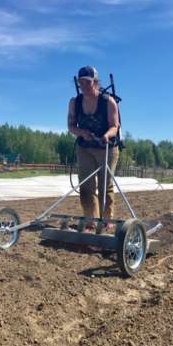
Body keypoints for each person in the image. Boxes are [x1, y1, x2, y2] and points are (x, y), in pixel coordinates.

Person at [67, 66, 120, 230]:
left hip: (107, 148)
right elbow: (71, 126)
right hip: (85, 148)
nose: (84, 86)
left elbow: (115, 126)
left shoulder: (108, 102)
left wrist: (107, 135)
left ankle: (106, 220)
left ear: (95, 82)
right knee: (86, 186)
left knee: (105, 185)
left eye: (87, 82)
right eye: (81, 82)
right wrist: (82, 132)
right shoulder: (74, 103)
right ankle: (90, 220)